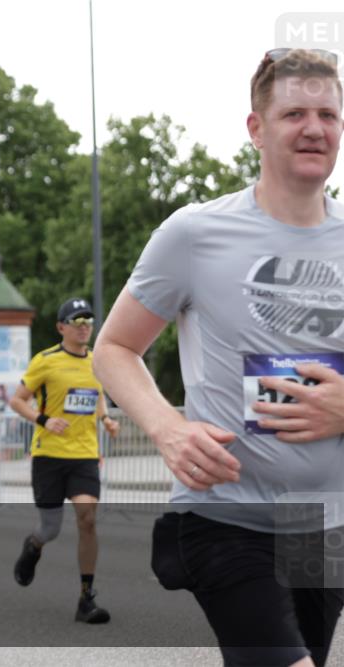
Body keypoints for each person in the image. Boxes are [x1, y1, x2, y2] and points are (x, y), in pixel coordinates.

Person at [93, 48, 344, 667]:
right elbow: (114, 348)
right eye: (294, 114)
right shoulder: (194, 234)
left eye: (328, 114)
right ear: (256, 129)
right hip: (227, 516)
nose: (314, 128)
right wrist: (167, 428)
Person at [7, 297, 120, 623]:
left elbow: (98, 396)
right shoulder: (45, 361)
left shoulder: (98, 362)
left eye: (88, 321)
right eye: (77, 321)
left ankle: (86, 598)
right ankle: (33, 546)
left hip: (84, 454)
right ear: (61, 327)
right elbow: (18, 401)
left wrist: (107, 420)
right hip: (49, 456)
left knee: (87, 518)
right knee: (51, 527)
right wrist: (44, 420)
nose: (84, 327)